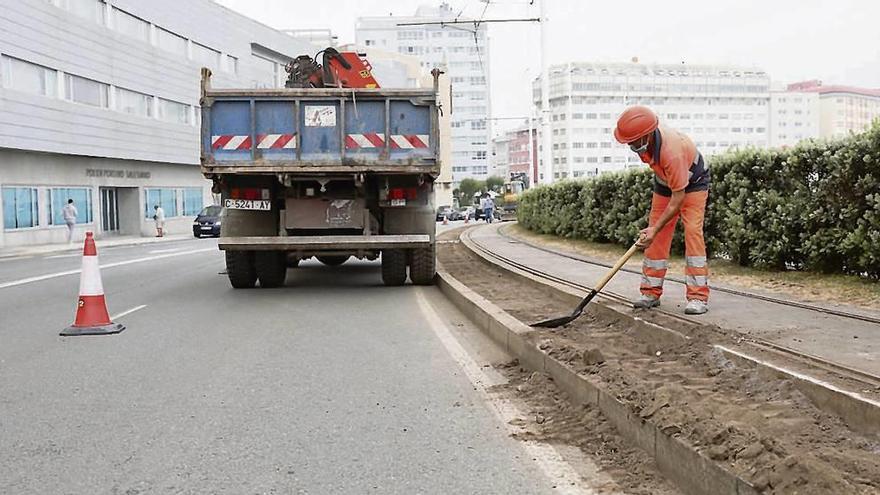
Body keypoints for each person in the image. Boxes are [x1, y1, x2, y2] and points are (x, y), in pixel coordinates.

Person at [613, 106, 710, 315]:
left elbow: (678, 197)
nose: (630, 145)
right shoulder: (644, 143)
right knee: (654, 236)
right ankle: (650, 292)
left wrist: (656, 228)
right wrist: (654, 230)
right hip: (665, 184)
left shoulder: (671, 151)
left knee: (692, 232)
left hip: (693, 184)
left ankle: (697, 297)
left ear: (646, 135)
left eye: (632, 141)